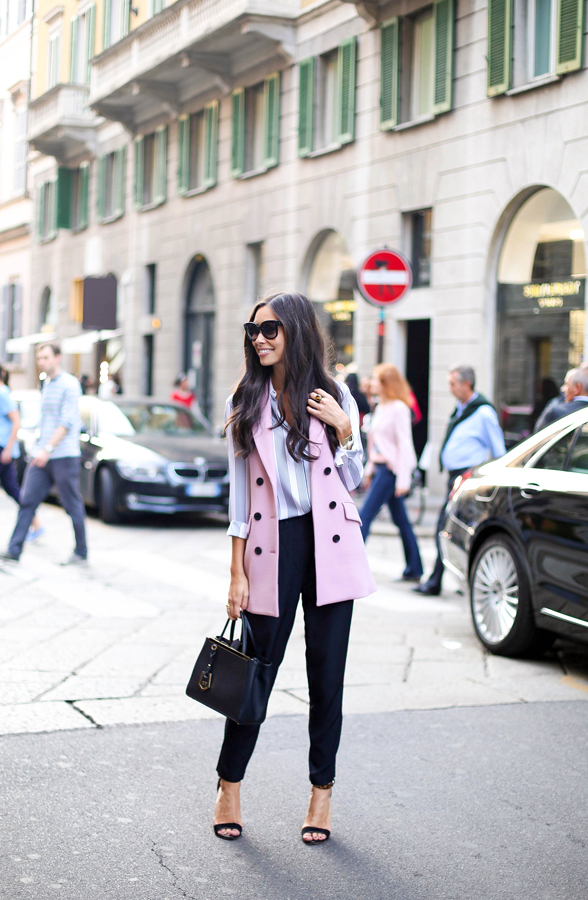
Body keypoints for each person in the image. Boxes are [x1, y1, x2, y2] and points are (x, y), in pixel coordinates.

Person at [214, 291, 375, 844]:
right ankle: (229, 786)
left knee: (327, 675)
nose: (259, 338)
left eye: (271, 329)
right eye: (253, 329)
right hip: (271, 544)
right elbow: (239, 498)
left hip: (329, 540)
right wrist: (236, 572)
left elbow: (353, 479)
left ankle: (321, 793)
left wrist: (346, 432)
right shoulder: (249, 397)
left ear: (297, 331)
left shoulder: (335, 395)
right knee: (256, 670)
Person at [0, 343, 87, 566]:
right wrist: (39, 448)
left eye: (45, 357)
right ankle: (14, 550)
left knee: (72, 503)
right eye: (39, 358)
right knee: (27, 501)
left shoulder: (70, 384)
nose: (41, 362)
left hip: (63, 455)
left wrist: (48, 449)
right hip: (41, 455)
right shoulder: (46, 384)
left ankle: (81, 551)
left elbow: (66, 422)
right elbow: (46, 421)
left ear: (57, 358)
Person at [414, 365, 506, 597]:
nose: (450, 388)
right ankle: (457, 579)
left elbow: (499, 451)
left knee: (445, 526)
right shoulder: (461, 408)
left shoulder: (483, 412)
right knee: (453, 528)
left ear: (467, 384)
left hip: (465, 479)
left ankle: (436, 580)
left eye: (453, 384)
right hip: (453, 477)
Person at [359, 364, 423, 582]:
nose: (371, 383)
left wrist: (403, 479)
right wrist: (369, 469)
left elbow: (405, 444)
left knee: (364, 515)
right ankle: (415, 568)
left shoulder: (398, 408)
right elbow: (376, 444)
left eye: (376, 379)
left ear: (386, 383)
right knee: (401, 521)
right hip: (380, 469)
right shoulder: (381, 406)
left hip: (391, 472)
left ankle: (352, 565)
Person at [0, 360, 44, 540]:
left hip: (0, 449)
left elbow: (16, 420)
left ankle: (35, 524)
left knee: (11, 488)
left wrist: (8, 448)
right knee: (12, 488)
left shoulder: (2, 393)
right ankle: (36, 524)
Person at [533, 366, 588, 432]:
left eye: (566, 384)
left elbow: (538, 438)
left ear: (577, 387)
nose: (562, 389)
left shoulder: (556, 411)